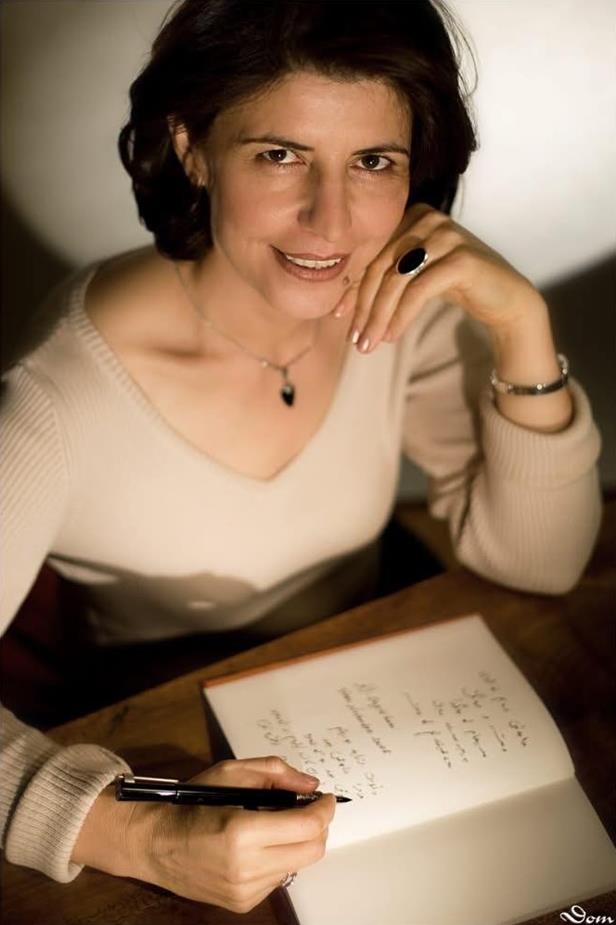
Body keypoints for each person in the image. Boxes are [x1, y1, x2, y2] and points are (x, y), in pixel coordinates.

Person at [0, 0, 602, 913]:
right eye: (280, 155)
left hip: (373, 695)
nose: (332, 221)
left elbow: (540, 560)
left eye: (374, 161)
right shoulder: (55, 393)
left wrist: (522, 325)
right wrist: (137, 833)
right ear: (193, 148)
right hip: (163, 725)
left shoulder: (396, 304)